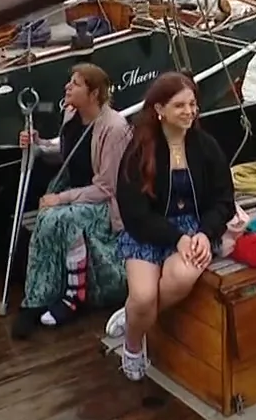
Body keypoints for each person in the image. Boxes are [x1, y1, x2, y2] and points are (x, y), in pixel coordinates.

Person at [103, 72, 234, 381]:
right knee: (143, 296)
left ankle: (134, 317)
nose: (189, 111)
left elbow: (224, 200)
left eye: (192, 104)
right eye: (180, 106)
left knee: (182, 275)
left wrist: (205, 233)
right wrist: (175, 238)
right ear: (159, 109)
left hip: (195, 230)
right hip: (149, 231)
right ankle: (133, 344)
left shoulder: (206, 146)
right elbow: (134, 211)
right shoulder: (139, 150)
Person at [12, 64, 133, 336]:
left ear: (94, 93)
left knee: (62, 218)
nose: (67, 87)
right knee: (47, 217)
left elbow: (107, 187)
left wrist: (61, 198)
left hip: (107, 204)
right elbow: (66, 154)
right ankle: (36, 300)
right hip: (79, 194)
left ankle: (71, 297)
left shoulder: (115, 129)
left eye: (76, 83)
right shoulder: (71, 115)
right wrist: (39, 144)